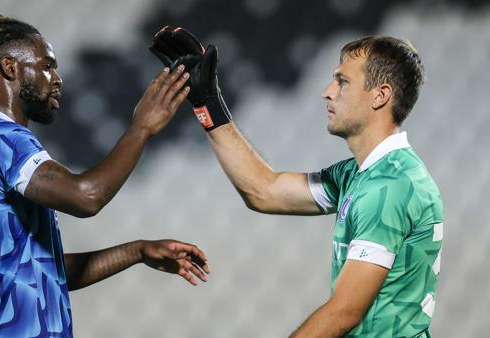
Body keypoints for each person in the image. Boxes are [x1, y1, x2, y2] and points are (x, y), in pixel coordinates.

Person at [0, 15, 210, 338]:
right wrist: (141, 128)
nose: (57, 78)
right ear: (10, 68)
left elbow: (42, 271)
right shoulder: (5, 139)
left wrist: (137, 251)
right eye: (47, 65)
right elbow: (86, 196)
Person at [150, 28, 443, 337]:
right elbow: (264, 191)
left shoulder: (390, 186)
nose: (327, 91)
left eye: (342, 81)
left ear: (380, 95)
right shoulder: (363, 174)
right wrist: (208, 104)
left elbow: (345, 311)